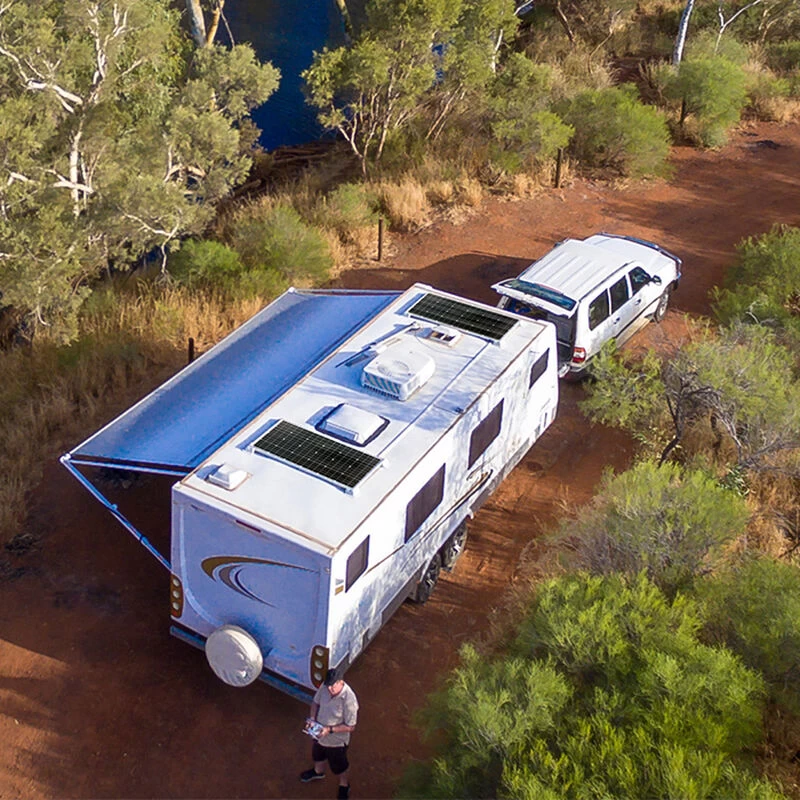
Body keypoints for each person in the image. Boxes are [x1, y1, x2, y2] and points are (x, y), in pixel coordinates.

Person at [301, 668, 359, 800]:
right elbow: (315, 703)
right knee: (317, 756)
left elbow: (351, 727)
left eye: (333, 686)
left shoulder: (349, 700)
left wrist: (329, 730)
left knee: (340, 766)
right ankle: (318, 772)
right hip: (319, 735)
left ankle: (344, 785)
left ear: (341, 682)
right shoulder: (325, 687)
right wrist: (312, 720)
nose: (330, 689)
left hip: (336, 742)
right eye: (328, 685)